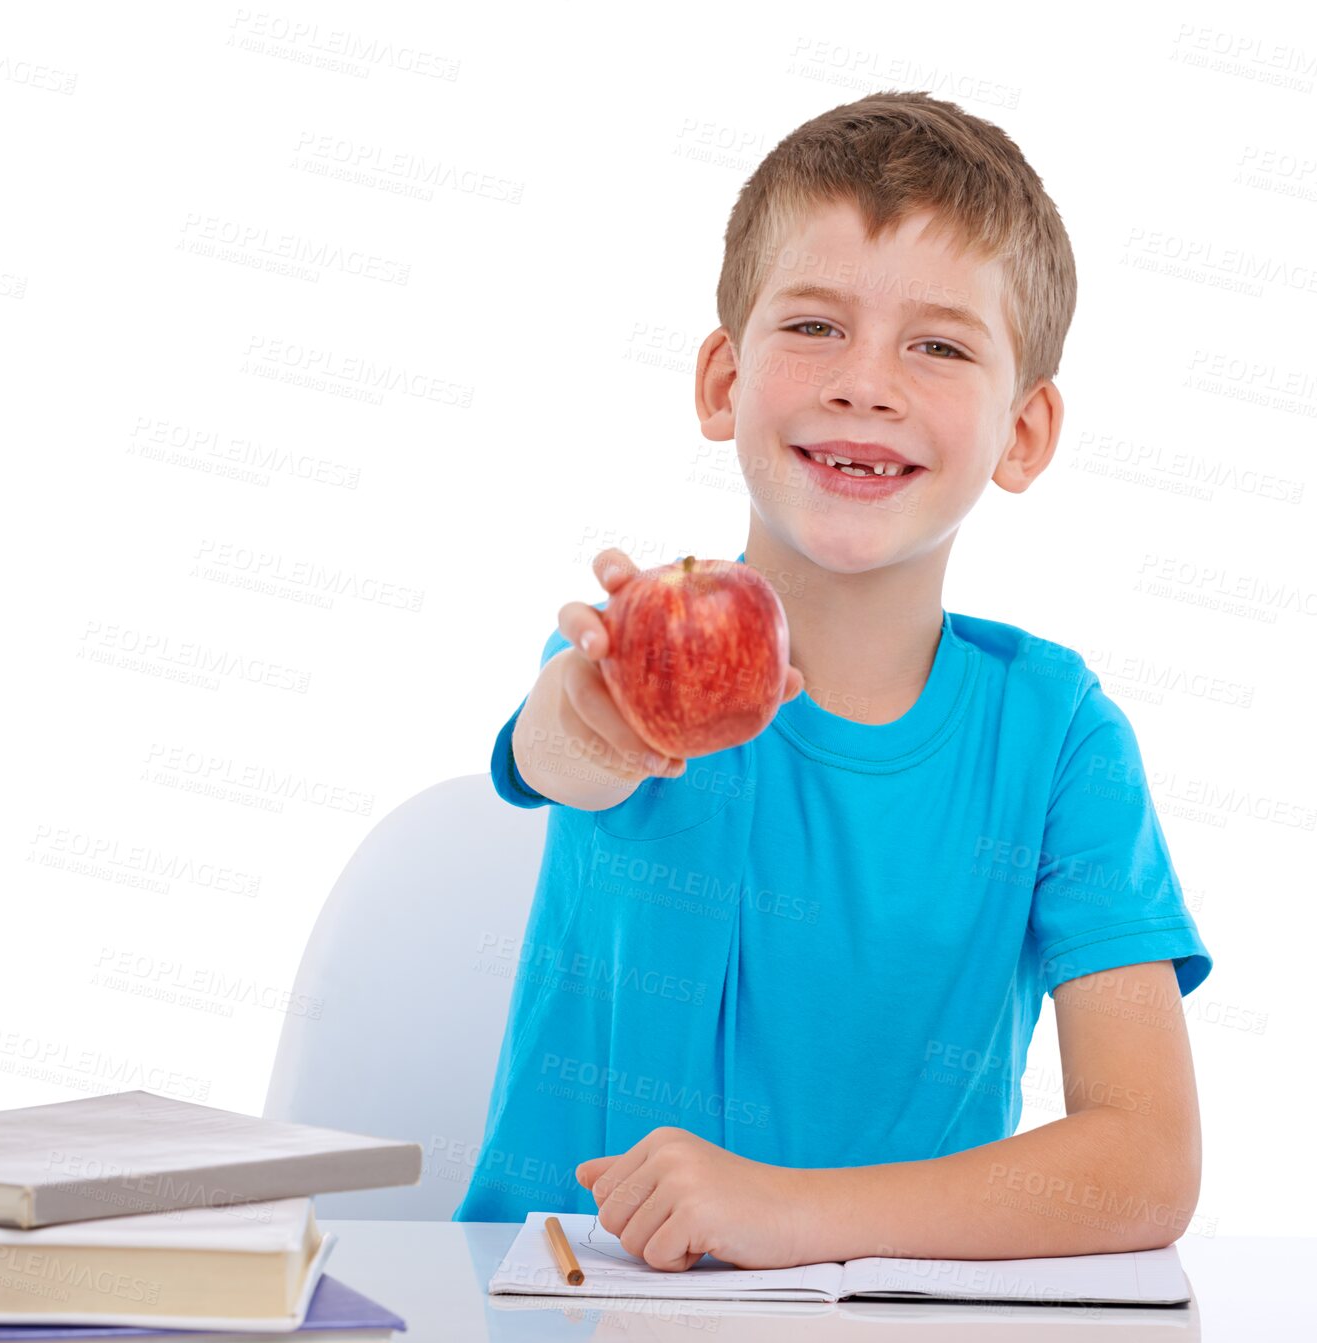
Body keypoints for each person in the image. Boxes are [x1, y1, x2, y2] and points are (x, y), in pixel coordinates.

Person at [450, 91, 1211, 1273]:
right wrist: (599, 717)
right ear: (721, 379)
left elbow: (1145, 1162)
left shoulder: (1057, 734)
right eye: (813, 326)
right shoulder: (624, 659)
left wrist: (784, 1212)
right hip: (557, 1300)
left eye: (939, 345)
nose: (865, 382)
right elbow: (566, 750)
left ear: (1022, 432)